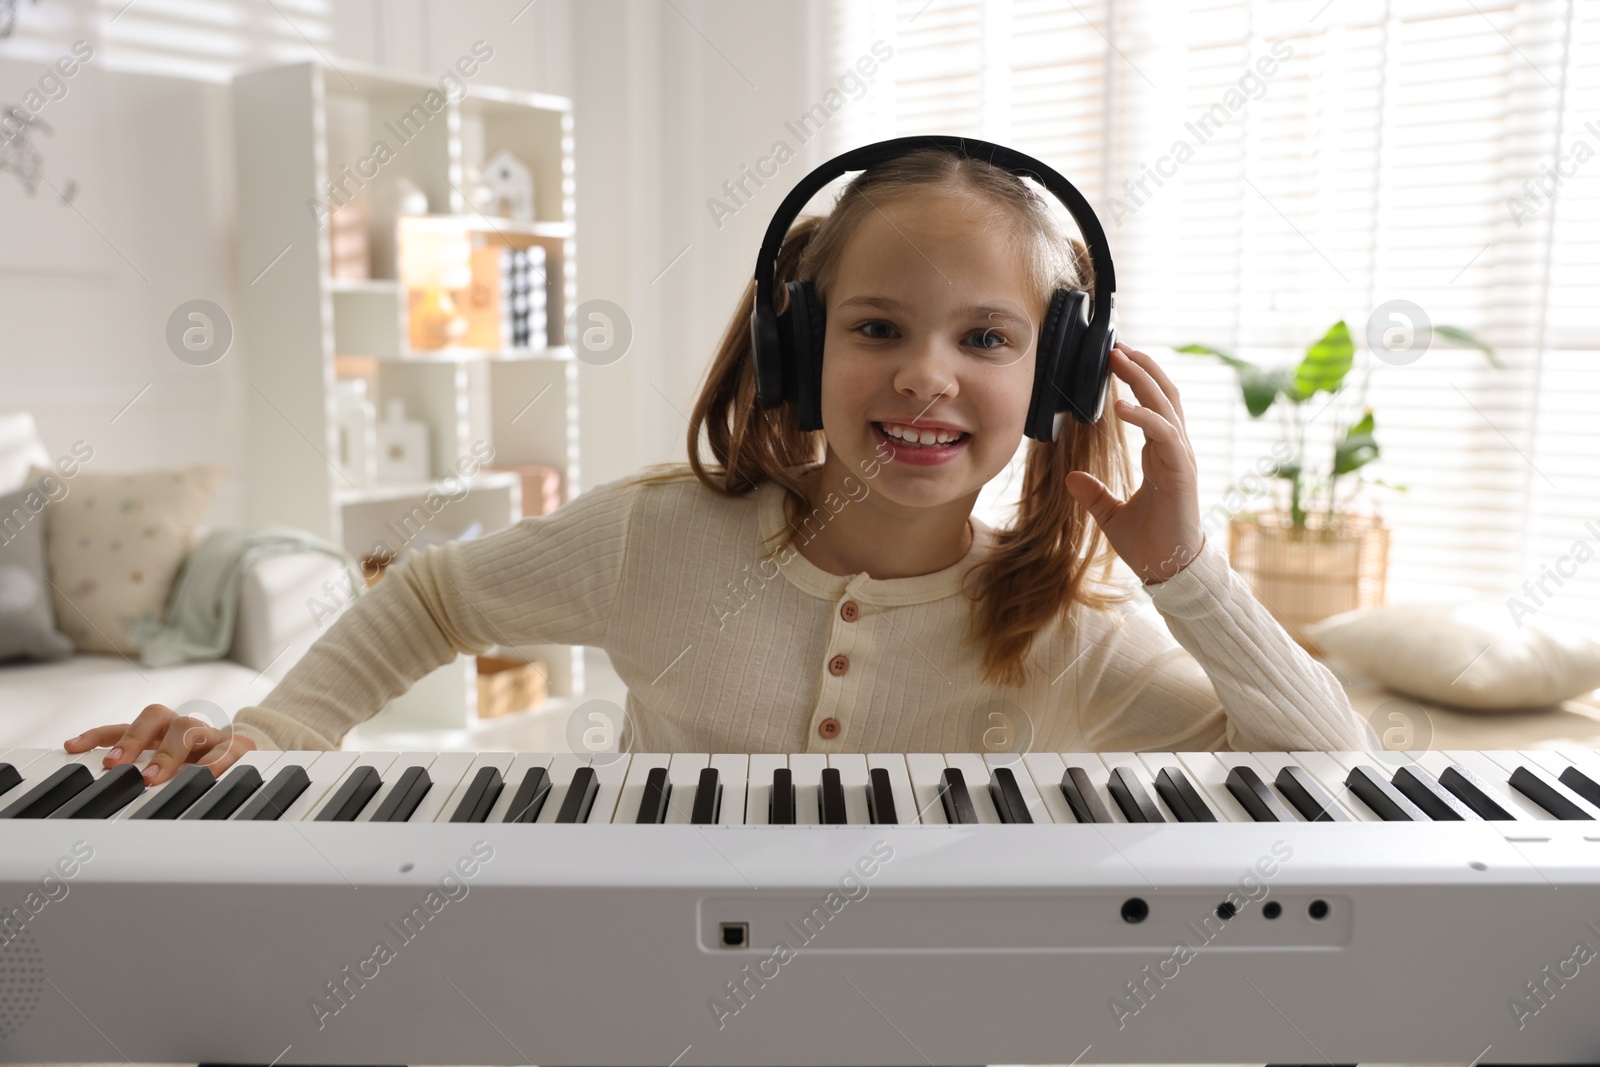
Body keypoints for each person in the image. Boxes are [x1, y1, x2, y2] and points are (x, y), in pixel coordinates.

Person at [65, 146, 1376, 784]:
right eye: (877, 328)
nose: (928, 373)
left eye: (986, 338)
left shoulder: (1063, 631)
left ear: (1061, 380)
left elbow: (1330, 771)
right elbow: (433, 598)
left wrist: (1187, 576)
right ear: (798, 348)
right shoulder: (657, 539)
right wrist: (275, 737)